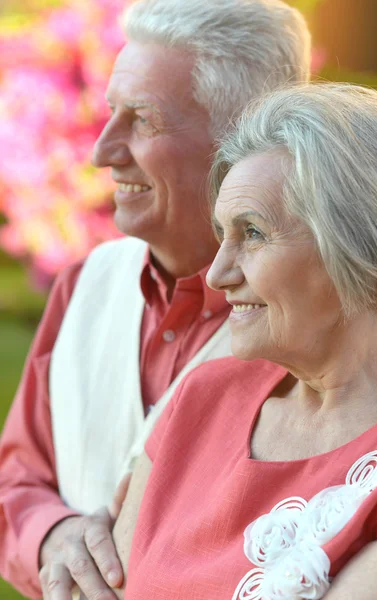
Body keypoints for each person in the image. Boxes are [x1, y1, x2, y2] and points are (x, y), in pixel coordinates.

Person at [0, 1, 311, 599]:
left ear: (244, 135)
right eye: (110, 112)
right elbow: (17, 479)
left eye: (142, 119)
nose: (102, 152)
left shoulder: (315, 325)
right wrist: (51, 534)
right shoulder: (81, 287)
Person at [110, 83, 377, 599]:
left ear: (359, 245)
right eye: (222, 234)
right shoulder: (203, 399)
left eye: (254, 233)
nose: (217, 275)